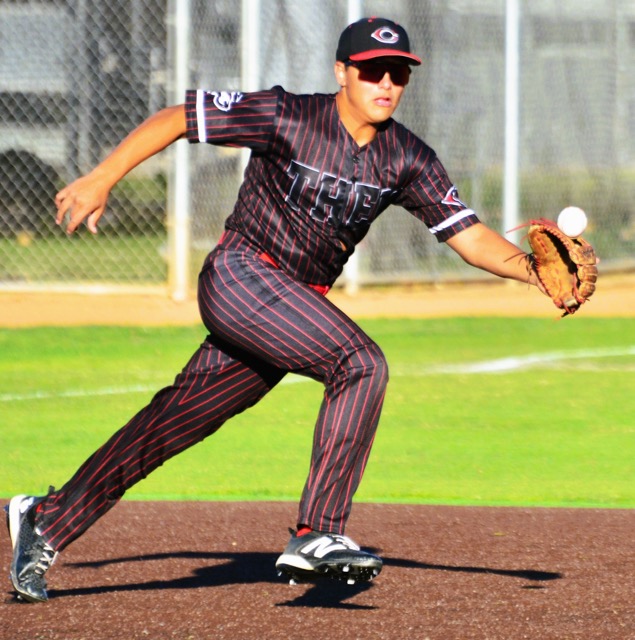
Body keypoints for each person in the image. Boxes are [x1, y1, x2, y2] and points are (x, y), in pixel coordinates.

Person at [5, 16, 544, 603]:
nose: (385, 83)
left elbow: (467, 236)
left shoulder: (408, 158)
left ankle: (46, 518)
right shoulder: (288, 114)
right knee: (361, 363)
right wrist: (103, 176)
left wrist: (533, 270)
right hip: (240, 274)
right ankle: (318, 532)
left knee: (171, 424)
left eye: (397, 72)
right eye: (370, 70)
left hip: (292, 309)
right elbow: (181, 117)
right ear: (342, 72)